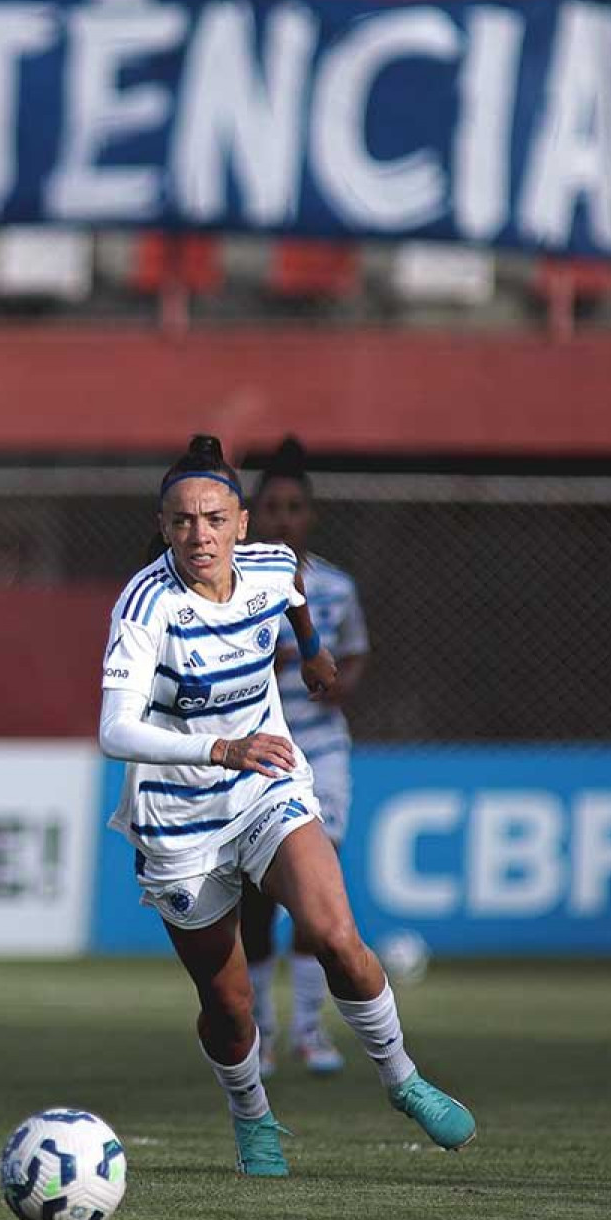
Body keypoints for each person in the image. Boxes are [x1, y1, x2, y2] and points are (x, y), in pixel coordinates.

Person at [98, 434, 473, 1176]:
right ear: (165, 526)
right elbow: (115, 729)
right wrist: (219, 749)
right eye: (181, 521)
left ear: (241, 523)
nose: (197, 535)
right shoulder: (146, 604)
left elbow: (294, 598)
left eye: (212, 519)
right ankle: (253, 1115)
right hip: (178, 821)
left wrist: (312, 653)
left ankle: (402, 1077)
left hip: (268, 787)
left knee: (335, 934)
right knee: (229, 1003)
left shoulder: (270, 565)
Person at [236, 439, 370, 1077]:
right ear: (254, 515)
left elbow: (356, 654)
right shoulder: (233, 585)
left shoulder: (337, 586)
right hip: (258, 748)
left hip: (321, 746)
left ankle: (311, 1030)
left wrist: (336, 679)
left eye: (295, 507)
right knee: (258, 896)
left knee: (318, 890)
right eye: (273, 507)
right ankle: (261, 1031)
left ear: (309, 515)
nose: (284, 518)